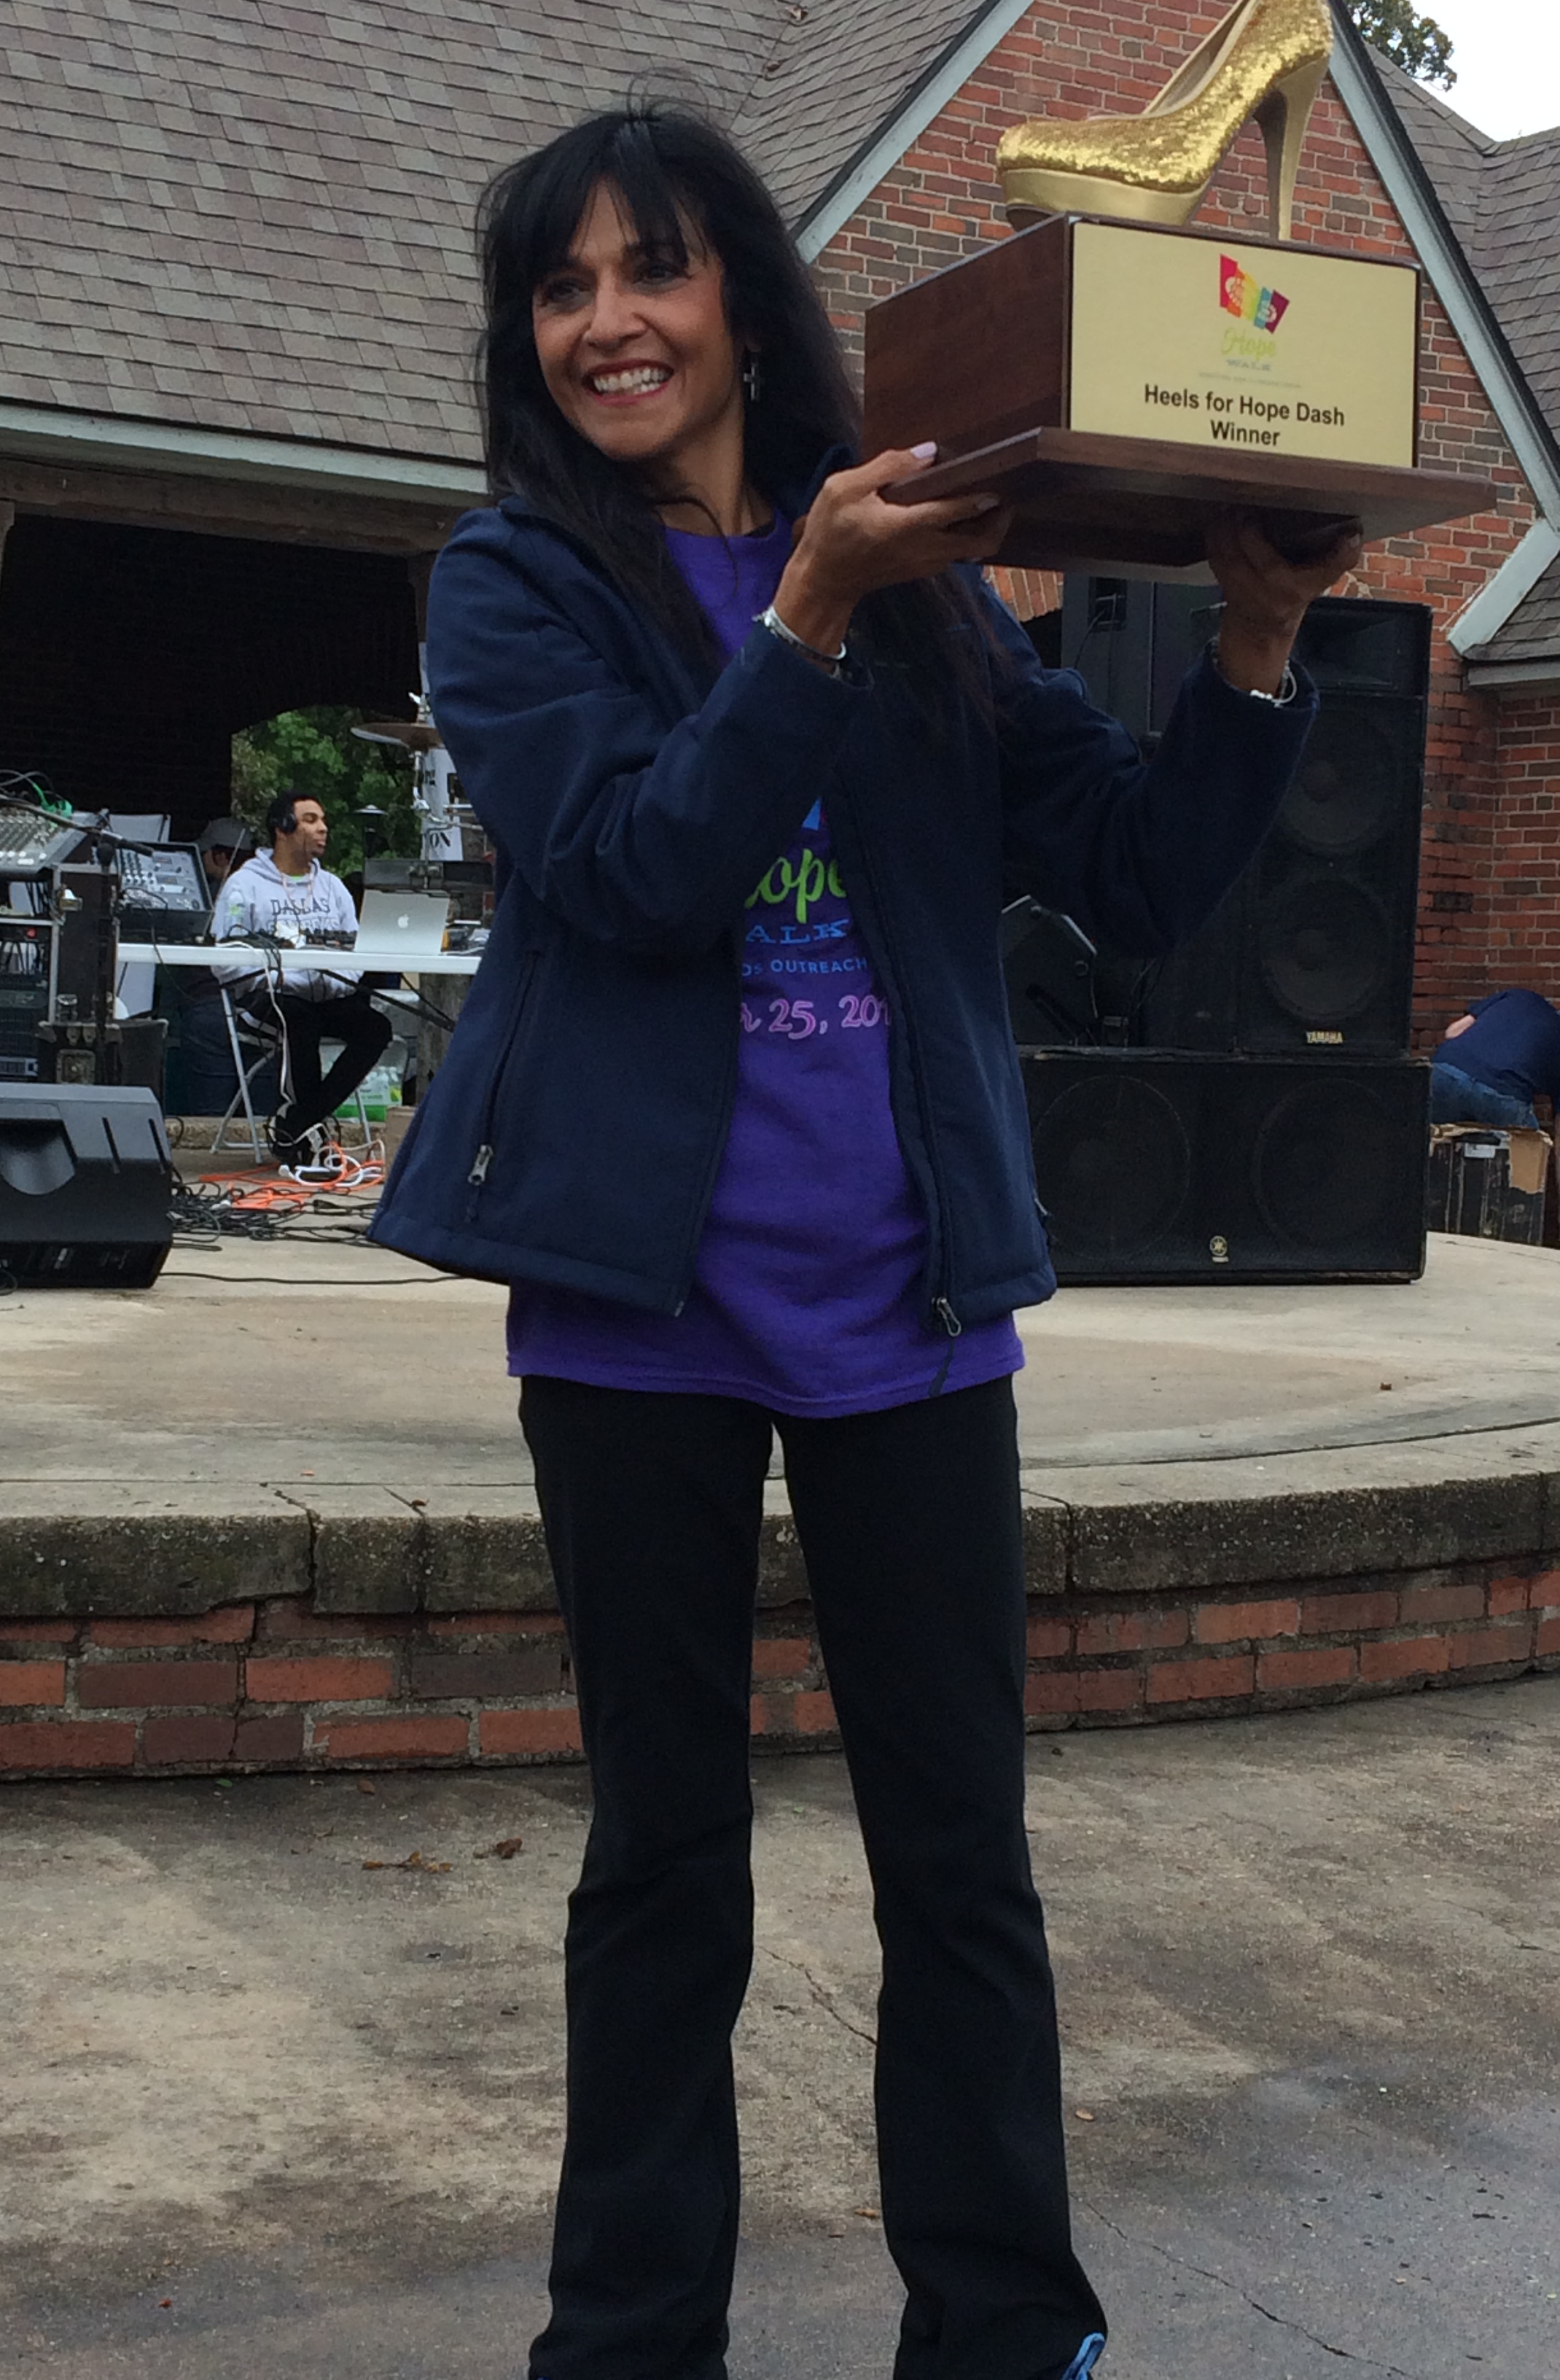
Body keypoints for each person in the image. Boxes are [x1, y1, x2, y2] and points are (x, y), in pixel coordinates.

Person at [370, 102, 1359, 2380]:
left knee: (964, 1863)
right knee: (663, 1866)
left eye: (656, 268)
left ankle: (1008, 2332)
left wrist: (1261, 639)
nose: (610, 321)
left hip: (911, 1305)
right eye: (563, 287)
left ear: (742, 298)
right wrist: (804, 606)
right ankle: (627, 2340)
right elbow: (630, 867)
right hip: (646, 1315)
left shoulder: (922, 586)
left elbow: (1119, 871)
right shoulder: (517, 584)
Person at [203, 790, 393, 1162]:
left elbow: (356, 955)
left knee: (376, 1028)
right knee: (299, 1020)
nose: (323, 828)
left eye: (323, 821)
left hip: (327, 996)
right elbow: (224, 959)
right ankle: (305, 1137)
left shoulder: (334, 887)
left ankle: (299, 1122)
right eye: (310, 820)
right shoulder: (246, 884)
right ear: (282, 829)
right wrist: (282, 978)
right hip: (269, 999)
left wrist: (333, 982)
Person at [1430, 988, 1560, 1129]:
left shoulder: (1518, 995)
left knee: (1431, 1140)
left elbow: (1451, 1032)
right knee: (1528, 1147)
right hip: (1503, 1093)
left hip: (1446, 1072)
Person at [195, 815, 254, 900]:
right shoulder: (256, 887)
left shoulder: (222, 892)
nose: (200, 858)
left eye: (203, 852)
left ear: (220, 857)